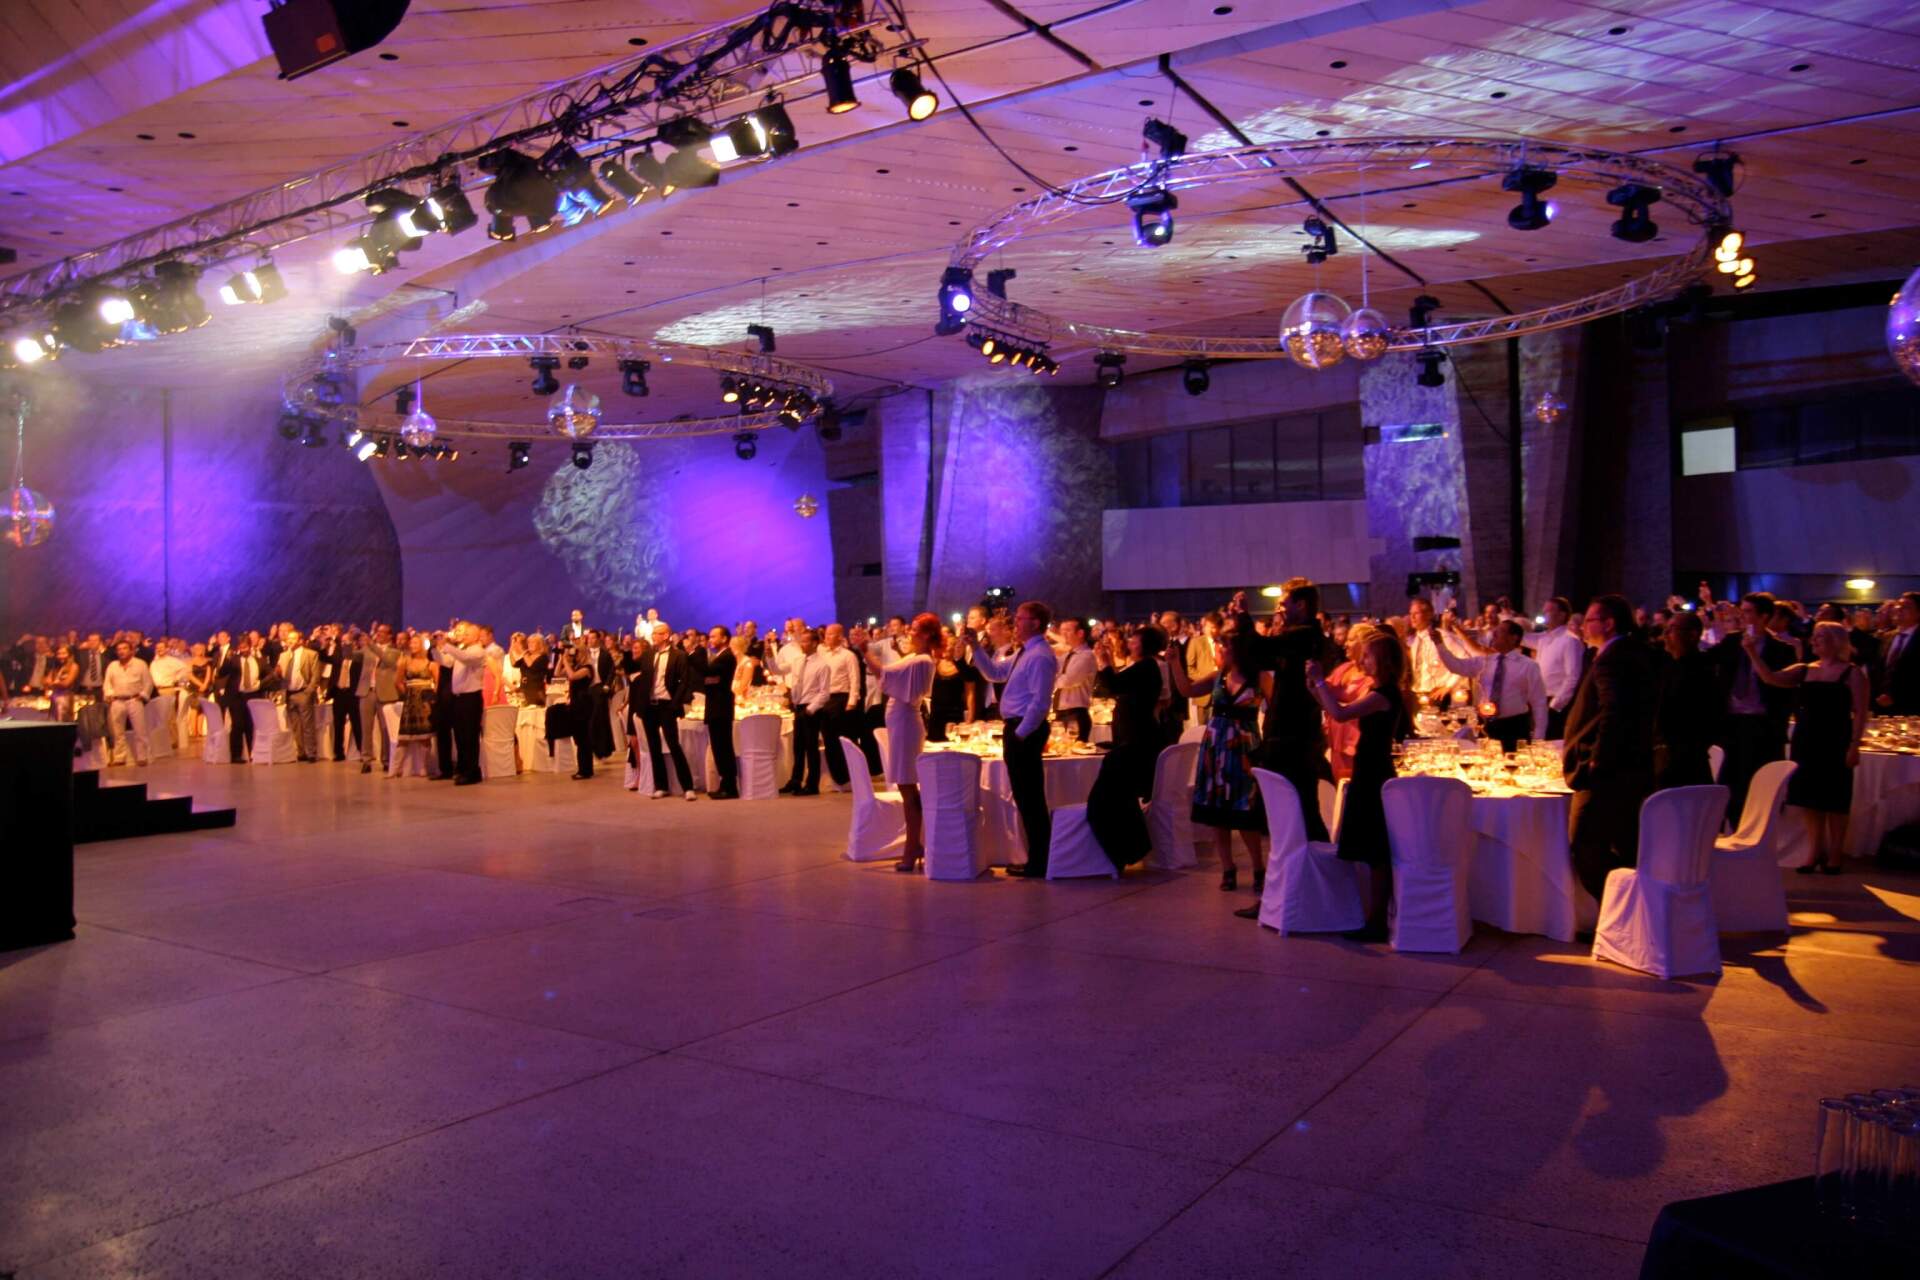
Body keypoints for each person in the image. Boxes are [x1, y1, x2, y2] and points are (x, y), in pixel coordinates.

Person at [1306, 631, 1415, 941]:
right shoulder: (1379, 690)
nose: (1361, 660)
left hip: (1375, 772)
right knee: (1371, 846)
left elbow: (1340, 714)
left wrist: (1321, 682)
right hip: (1368, 768)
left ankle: (1376, 919)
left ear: (1383, 661)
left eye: (1368, 656)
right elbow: (1336, 707)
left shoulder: (1383, 694)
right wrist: (1316, 687)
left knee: (1376, 848)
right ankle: (1373, 915)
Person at [1746, 620, 1871, 875]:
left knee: (1835, 798)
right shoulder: (1804, 669)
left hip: (1836, 740)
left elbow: (1860, 712)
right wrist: (1751, 652)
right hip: (1807, 739)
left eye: (1820, 637)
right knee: (1809, 797)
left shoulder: (1852, 673)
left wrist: (1855, 745)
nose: (1813, 640)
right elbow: (1770, 678)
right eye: (1814, 636)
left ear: (1835, 641)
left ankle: (1835, 853)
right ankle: (1814, 850)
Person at [1562, 595, 1658, 905]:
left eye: (1589, 620)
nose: (1582, 626)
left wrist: (1597, 760)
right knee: (1624, 843)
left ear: (1608, 624)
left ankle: (1627, 909)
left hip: (1607, 772)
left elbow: (1613, 711)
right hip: (1633, 767)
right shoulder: (1636, 652)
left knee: (1587, 846)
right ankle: (1637, 911)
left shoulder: (1611, 659)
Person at [1170, 625, 1268, 898]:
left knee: (1245, 812)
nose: (1220, 650)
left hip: (1244, 748)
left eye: (1225, 646)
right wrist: (1175, 663)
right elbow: (1187, 690)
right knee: (1218, 812)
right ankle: (1228, 868)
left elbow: (1275, 707)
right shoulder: (1218, 676)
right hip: (1216, 746)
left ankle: (1258, 868)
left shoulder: (1259, 678)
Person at [969, 600, 1059, 877]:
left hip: (1025, 730)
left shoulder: (1040, 655)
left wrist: (1020, 734)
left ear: (1035, 623)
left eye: (1020, 619)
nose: (1015, 623)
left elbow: (1040, 702)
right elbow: (996, 673)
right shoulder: (1025, 652)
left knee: (1030, 798)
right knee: (1025, 796)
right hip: (1018, 728)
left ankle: (1040, 861)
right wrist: (975, 647)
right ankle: (1038, 858)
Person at [1710, 591, 1797, 827]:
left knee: (1758, 784)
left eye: (1748, 611)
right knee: (1730, 782)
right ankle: (1733, 830)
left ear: (1764, 616)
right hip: (1733, 722)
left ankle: (1756, 832)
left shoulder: (1782, 650)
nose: (1742, 615)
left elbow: (1784, 693)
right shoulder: (1731, 642)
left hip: (1762, 725)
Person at [871, 613, 940, 872]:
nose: (910, 632)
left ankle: (912, 848)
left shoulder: (922, 660)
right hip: (902, 724)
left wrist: (864, 650)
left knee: (907, 786)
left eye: (915, 629)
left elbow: (883, 672)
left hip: (906, 726)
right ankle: (914, 844)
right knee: (906, 786)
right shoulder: (916, 657)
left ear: (926, 635)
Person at [1436, 615, 1550, 751]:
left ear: (1513, 638)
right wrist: (1439, 644)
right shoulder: (1485, 661)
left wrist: (1538, 738)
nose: (1494, 634)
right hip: (1487, 726)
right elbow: (1456, 666)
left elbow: (1539, 702)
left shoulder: (1528, 666)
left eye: (1500, 631)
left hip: (1514, 726)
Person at [1653, 610, 1725, 790]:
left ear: (1692, 635)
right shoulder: (1666, 666)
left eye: (1672, 629)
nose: (1665, 635)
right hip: (1666, 755)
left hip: (1686, 761)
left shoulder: (1702, 670)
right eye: (1665, 629)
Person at [638, 622, 697, 801]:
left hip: (667, 705)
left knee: (673, 745)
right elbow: (643, 680)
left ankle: (688, 787)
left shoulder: (679, 655)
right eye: (653, 634)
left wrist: (674, 703)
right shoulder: (648, 655)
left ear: (666, 635)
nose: (653, 636)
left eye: (656, 633)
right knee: (654, 746)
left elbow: (684, 681)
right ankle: (661, 786)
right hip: (650, 706)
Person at [1324, 623, 1380, 780]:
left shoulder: (1372, 676)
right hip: (1336, 739)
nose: (1345, 644)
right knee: (1340, 784)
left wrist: (1333, 703)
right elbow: (1323, 694)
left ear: (1364, 644)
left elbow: (1353, 710)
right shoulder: (1345, 668)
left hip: (1354, 742)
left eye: (1351, 639)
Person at [693, 625, 740, 799]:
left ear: (724, 638)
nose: (710, 639)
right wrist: (709, 679)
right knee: (719, 747)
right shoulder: (720, 656)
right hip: (716, 706)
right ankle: (725, 784)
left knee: (723, 747)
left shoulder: (726, 656)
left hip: (721, 707)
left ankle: (729, 787)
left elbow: (707, 672)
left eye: (714, 636)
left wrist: (695, 652)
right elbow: (709, 678)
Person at [782, 627, 830, 795]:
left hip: (811, 708)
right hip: (798, 706)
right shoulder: (799, 661)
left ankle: (812, 784)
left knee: (811, 747)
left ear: (815, 643)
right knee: (798, 747)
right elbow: (780, 670)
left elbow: (824, 693)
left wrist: (810, 709)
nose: (802, 644)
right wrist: (770, 656)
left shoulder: (822, 665)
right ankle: (795, 780)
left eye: (805, 641)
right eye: (801, 641)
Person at [818, 623, 860, 788]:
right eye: (826, 634)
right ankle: (838, 779)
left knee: (845, 740)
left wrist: (852, 702)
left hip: (841, 699)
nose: (827, 637)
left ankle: (851, 776)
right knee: (829, 741)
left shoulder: (848, 655)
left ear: (840, 636)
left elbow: (854, 679)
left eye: (831, 634)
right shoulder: (822, 654)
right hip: (824, 699)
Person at [103, 639, 154, 766]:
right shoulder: (113, 665)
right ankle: (119, 757)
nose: (121, 651)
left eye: (124, 648)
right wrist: (109, 694)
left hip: (134, 699)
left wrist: (143, 695)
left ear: (131, 651)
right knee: (117, 731)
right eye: (119, 649)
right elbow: (107, 683)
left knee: (140, 730)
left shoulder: (140, 664)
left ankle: (142, 756)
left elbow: (148, 682)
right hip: (117, 700)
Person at [924, 630, 979, 742]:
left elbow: (970, 694)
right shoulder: (935, 664)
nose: (945, 647)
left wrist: (970, 717)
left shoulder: (965, 669)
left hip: (955, 715)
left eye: (948, 645)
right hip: (936, 715)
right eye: (944, 644)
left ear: (956, 648)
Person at [556, 636, 597, 780]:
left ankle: (585, 770)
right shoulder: (575, 666)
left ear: (583, 653)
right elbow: (557, 674)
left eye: (577, 653)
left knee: (584, 737)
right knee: (579, 738)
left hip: (583, 704)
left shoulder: (587, 668)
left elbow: (572, 676)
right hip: (575, 703)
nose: (575, 655)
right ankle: (583, 768)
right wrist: (562, 658)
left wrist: (566, 661)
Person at [395, 634, 438, 771]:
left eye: (416, 643)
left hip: (425, 702)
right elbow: (398, 682)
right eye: (411, 643)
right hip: (410, 701)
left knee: (425, 735)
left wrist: (430, 699)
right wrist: (408, 693)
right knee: (403, 737)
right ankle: (396, 769)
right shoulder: (405, 662)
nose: (412, 646)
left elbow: (437, 684)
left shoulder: (431, 664)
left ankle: (423, 767)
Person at [278, 629, 321, 762]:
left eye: (293, 638)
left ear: (300, 640)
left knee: (308, 725)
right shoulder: (283, 656)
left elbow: (316, 676)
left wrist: (309, 691)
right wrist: (277, 674)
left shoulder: (310, 654)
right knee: (296, 726)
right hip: (289, 693)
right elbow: (280, 675)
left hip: (303, 692)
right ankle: (301, 752)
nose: (290, 641)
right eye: (288, 638)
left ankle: (311, 753)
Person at [1052, 619, 1097, 741]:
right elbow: (1053, 670)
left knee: (1074, 748)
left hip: (1076, 713)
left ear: (1080, 633)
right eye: (1062, 630)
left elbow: (1068, 680)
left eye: (1067, 630)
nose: (1063, 634)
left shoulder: (1086, 656)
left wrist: (1050, 680)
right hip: (1062, 712)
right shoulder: (1068, 655)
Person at [1877, 591, 1920, 715]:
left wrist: (1896, 697)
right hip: (1881, 707)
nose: (1899, 609)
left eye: (1906, 607)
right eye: (1898, 605)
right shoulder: (1886, 637)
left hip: (1912, 708)